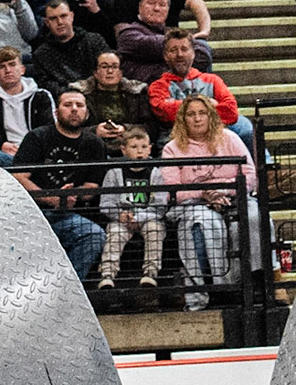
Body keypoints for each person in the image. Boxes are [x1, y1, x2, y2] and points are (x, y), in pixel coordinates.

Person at [158, 93, 256, 313]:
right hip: (194, 204)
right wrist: (204, 193)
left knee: (254, 218)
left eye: (202, 113)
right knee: (205, 223)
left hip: (232, 196)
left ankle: (252, 284)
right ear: (183, 119)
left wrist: (222, 191)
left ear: (211, 116)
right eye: (191, 114)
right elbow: (170, 191)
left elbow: (249, 175)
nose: (197, 118)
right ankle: (218, 288)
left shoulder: (230, 138)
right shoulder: (172, 148)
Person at [13, 89, 109, 278]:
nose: (74, 109)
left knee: (94, 235)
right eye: (67, 105)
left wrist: (70, 196)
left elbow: (91, 188)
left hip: (69, 214)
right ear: (56, 112)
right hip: (34, 212)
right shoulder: (38, 137)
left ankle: (66, 289)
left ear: (87, 113)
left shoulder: (95, 143)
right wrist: (52, 198)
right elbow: (18, 177)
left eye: (79, 105)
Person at [95, 127, 166, 290]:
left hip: (148, 217)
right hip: (121, 218)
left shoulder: (156, 173)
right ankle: (107, 274)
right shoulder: (114, 172)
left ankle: (150, 273)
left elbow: (160, 205)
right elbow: (106, 203)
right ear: (123, 149)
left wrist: (139, 217)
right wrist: (119, 215)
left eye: (143, 147)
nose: (139, 151)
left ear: (150, 148)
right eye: (134, 147)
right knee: (115, 234)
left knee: (155, 230)